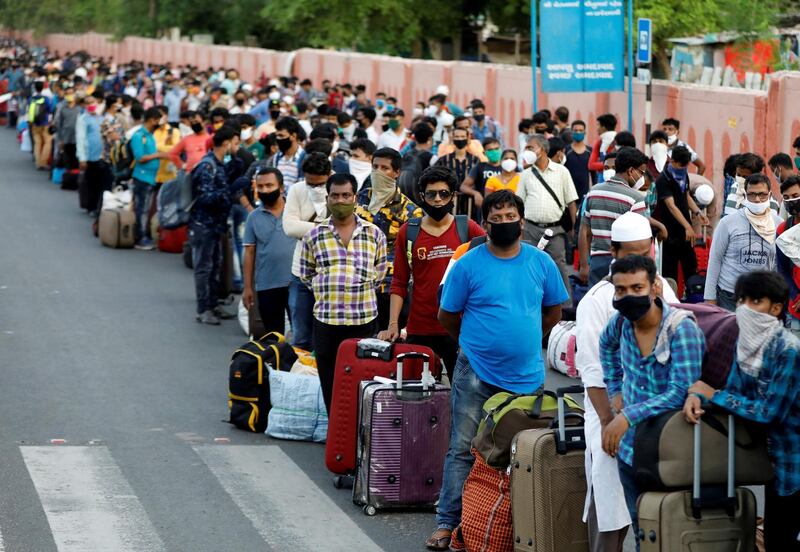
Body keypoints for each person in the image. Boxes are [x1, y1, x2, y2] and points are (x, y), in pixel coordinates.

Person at [427, 189, 568, 550]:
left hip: (526, 378)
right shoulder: (469, 264)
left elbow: (554, 311)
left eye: (510, 217)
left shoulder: (541, 263)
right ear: (485, 223)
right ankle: (448, 522)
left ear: (522, 222)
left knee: (522, 453)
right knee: (463, 447)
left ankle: (520, 523)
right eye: (497, 217)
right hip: (476, 372)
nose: (504, 223)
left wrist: (529, 337)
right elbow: (446, 315)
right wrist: (472, 346)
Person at [576, 212, 678, 552]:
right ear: (614, 251)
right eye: (629, 252)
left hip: (659, 412)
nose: (637, 260)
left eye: (643, 251)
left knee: (666, 508)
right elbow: (595, 372)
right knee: (612, 509)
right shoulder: (596, 302)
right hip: (610, 411)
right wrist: (610, 423)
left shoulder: (664, 289)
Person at [684, 271, 800, 550]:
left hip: (794, 461)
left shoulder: (789, 350)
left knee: (782, 538)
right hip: (772, 461)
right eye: (742, 300)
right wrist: (700, 397)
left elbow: (769, 412)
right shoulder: (746, 344)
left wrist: (713, 394)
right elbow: (734, 393)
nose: (745, 307)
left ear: (776, 308)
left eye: (756, 300)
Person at [600, 255, 705, 549]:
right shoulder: (621, 322)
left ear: (655, 286)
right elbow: (605, 347)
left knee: (671, 533)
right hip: (630, 452)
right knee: (642, 533)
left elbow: (680, 392)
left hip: (671, 453)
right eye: (621, 290)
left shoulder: (681, 331)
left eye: (637, 288)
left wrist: (626, 415)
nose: (628, 296)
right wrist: (614, 391)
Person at [377, 166, 484, 378]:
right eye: (431, 194)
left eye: (443, 194)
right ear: (422, 197)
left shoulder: (468, 228)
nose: (437, 199)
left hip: (459, 329)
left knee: (463, 396)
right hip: (419, 329)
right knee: (417, 399)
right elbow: (398, 281)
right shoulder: (408, 231)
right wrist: (393, 324)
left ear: (453, 196)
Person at [299, 173, 388, 412]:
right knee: (330, 381)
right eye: (335, 196)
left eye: (345, 195)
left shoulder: (374, 234)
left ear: (355, 197)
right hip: (327, 322)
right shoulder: (313, 236)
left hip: (364, 320)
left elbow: (379, 272)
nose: (340, 200)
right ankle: (335, 439)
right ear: (327, 199)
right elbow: (306, 274)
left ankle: (359, 438)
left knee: (364, 380)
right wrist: (329, 289)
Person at [355, 147, 422, 330]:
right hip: (356, 285)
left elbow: (410, 253)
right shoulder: (359, 199)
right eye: (375, 167)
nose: (378, 172)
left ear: (396, 172)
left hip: (388, 288)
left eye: (384, 168)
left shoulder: (410, 211)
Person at [188, 126, 245, 325]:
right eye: (236, 143)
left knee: (215, 267)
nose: (237, 147)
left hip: (216, 224)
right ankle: (203, 309)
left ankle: (213, 305)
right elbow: (204, 197)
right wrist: (228, 192)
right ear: (227, 142)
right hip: (204, 224)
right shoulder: (207, 166)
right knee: (204, 268)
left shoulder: (219, 164)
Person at [705, 174, 782, 311]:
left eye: (762, 194)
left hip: (763, 298)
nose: (757, 199)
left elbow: (779, 263)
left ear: (770, 195)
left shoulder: (778, 224)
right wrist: (710, 298)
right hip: (729, 297)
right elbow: (715, 259)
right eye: (752, 194)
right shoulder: (728, 222)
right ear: (745, 195)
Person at [516, 134, 578, 296]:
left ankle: (565, 306)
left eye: (530, 147)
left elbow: (571, 202)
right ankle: (533, 299)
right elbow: (519, 203)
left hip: (555, 230)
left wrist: (573, 229)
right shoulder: (525, 174)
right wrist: (520, 229)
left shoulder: (562, 171)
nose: (526, 151)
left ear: (542, 150)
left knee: (558, 266)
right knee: (529, 266)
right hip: (530, 229)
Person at [283, 152, 333, 351]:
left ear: (329, 175)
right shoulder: (297, 190)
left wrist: (305, 228)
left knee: (326, 338)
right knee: (301, 336)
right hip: (301, 272)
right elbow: (289, 227)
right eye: (310, 183)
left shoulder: (340, 188)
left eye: (320, 184)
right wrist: (327, 228)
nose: (315, 188)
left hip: (331, 273)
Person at [579, 147, 649, 286]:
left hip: (596, 261)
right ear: (630, 171)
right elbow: (642, 239)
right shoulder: (635, 198)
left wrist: (584, 265)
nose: (642, 178)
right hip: (624, 263)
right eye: (641, 173)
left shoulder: (594, 191)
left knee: (598, 302)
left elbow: (584, 231)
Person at [242, 167, 295, 336]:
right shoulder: (253, 217)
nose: (264, 190)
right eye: (261, 186)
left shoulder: (296, 212)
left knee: (301, 335)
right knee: (273, 337)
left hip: (296, 284)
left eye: (269, 185)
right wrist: (247, 287)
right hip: (267, 286)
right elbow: (249, 253)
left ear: (281, 188)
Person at [653, 145, 706, 283]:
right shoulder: (663, 180)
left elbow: (686, 195)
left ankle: (693, 296)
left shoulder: (683, 176)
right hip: (670, 233)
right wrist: (688, 226)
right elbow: (671, 206)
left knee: (691, 268)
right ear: (673, 161)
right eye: (681, 165)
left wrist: (698, 212)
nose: (683, 168)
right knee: (670, 273)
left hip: (685, 233)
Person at [129, 107, 171, 250]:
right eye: (158, 119)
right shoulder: (139, 136)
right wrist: (159, 155)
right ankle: (140, 238)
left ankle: (143, 235)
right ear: (152, 119)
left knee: (145, 208)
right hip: (142, 177)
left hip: (150, 177)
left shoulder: (149, 135)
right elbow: (140, 157)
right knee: (142, 209)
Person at [777, 175, 800, 337]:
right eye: (787, 198)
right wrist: (796, 295)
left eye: (795, 196)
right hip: (797, 308)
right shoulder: (783, 230)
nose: (791, 201)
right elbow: (782, 269)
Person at [459, 137, 503, 223]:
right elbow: (463, 186)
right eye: (490, 150)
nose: (494, 152)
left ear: (501, 150)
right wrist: (476, 193)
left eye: (496, 149)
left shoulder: (508, 167)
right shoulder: (480, 167)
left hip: (505, 207)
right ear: (484, 153)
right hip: (485, 208)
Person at [75, 95, 105, 213]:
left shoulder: (101, 118)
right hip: (90, 156)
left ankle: (98, 205)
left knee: (100, 182)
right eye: (88, 103)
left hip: (101, 155)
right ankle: (91, 206)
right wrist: (82, 158)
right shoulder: (83, 119)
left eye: (93, 102)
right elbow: (80, 138)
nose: (91, 104)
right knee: (91, 182)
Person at [268, 117, 305, 190]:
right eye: (277, 136)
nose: (278, 139)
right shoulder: (277, 157)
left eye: (281, 136)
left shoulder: (304, 158)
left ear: (293, 136)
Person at [564, 119, 592, 203]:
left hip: (585, 193)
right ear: (571, 132)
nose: (578, 132)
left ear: (585, 132)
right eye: (575, 130)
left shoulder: (590, 151)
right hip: (568, 192)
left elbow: (593, 174)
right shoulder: (566, 150)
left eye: (581, 130)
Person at [53, 88, 80, 172]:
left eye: (71, 93)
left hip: (77, 138)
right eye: (68, 94)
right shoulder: (62, 109)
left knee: (75, 159)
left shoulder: (80, 109)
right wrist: (60, 139)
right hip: (65, 138)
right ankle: (67, 177)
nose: (70, 96)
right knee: (67, 159)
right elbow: (59, 125)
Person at [28, 80, 52, 170]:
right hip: (45, 123)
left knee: (37, 143)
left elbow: (29, 110)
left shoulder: (31, 99)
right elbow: (50, 110)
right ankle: (43, 162)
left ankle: (38, 162)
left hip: (35, 123)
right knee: (47, 142)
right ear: (43, 88)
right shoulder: (46, 99)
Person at [587, 113, 618, 181]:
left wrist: (605, 166)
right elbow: (591, 165)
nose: (596, 128)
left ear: (603, 127)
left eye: (598, 125)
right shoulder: (600, 142)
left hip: (604, 177)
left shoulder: (599, 143)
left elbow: (591, 165)